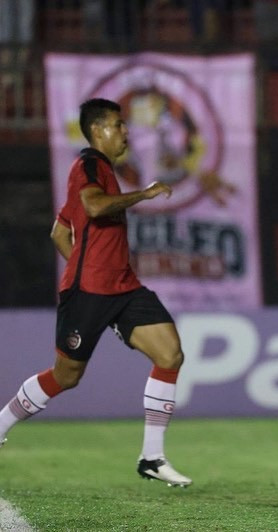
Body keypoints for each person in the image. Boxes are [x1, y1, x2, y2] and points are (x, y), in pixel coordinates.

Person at [0, 98, 192, 488]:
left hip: (123, 287)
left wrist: (90, 264)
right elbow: (93, 206)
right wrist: (144, 194)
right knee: (66, 376)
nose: (125, 132)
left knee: (170, 354)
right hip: (89, 291)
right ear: (99, 129)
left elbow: (59, 231)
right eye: (119, 124)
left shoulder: (101, 170)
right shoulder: (88, 165)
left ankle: (152, 456)